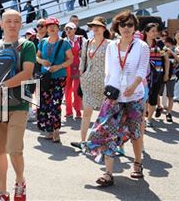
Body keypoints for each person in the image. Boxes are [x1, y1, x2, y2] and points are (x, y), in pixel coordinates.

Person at [82, 10, 149, 187]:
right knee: (108, 131)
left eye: (130, 24)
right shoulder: (112, 46)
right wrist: (108, 90)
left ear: (135, 27)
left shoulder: (141, 46)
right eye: (123, 24)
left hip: (135, 96)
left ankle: (137, 163)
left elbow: (142, 71)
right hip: (114, 96)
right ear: (117, 27)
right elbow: (108, 71)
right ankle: (108, 173)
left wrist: (133, 86)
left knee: (135, 132)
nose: (126, 28)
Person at [0, 9, 36, 201]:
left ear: (21, 24)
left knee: (14, 149)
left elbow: (27, 73)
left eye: (16, 21)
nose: (12, 25)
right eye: (8, 21)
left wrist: (1, 86)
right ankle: (2, 192)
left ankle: (20, 182)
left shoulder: (27, 45)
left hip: (19, 104)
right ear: (1, 24)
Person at [70, 17, 110, 149]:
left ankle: (101, 142)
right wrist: (82, 75)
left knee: (104, 115)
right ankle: (83, 141)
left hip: (104, 82)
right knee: (87, 111)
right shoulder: (87, 42)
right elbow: (83, 60)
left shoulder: (110, 44)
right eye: (93, 26)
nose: (95, 28)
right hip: (88, 81)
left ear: (104, 28)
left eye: (98, 26)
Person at [36, 17, 73, 142]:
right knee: (44, 103)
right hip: (45, 77)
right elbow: (37, 57)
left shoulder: (64, 43)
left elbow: (70, 59)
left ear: (58, 28)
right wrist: (42, 61)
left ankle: (56, 130)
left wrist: (59, 66)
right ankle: (49, 129)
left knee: (55, 103)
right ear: (46, 29)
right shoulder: (42, 42)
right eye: (49, 26)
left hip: (59, 76)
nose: (51, 28)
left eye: (54, 26)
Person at [142, 23, 169, 127]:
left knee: (153, 96)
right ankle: (143, 118)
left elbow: (166, 58)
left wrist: (166, 73)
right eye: (152, 31)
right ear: (146, 32)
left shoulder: (160, 44)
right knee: (143, 96)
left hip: (157, 74)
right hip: (143, 74)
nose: (155, 33)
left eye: (156, 31)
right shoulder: (140, 43)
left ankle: (149, 119)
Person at [64, 22, 84, 119]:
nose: (68, 30)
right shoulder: (63, 41)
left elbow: (87, 51)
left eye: (70, 28)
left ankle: (78, 111)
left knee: (76, 90)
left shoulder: (81, 39)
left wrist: (82, 51)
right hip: (67, 68)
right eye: (66, 29)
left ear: (75, 30)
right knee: (67, 91)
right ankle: (68, 111)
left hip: (78, 67)